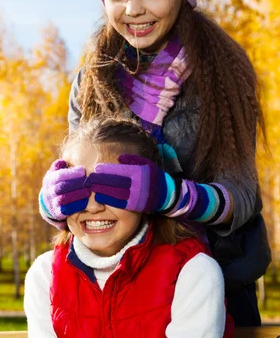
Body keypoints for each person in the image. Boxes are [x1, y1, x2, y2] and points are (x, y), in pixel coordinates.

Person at [38, 0, 271, 327]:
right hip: (122, 282)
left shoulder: (222, 72)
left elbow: (243, 197)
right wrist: (55, 200)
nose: (133, 9)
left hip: (211, 279)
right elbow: (80, 181)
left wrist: (167, 195)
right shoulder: (92, 79)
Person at [26, 118, 233, 338]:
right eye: (76, 190)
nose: (94, 206)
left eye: (112, 189)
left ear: (147, 197)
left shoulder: (194, 272)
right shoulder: (45, 274)